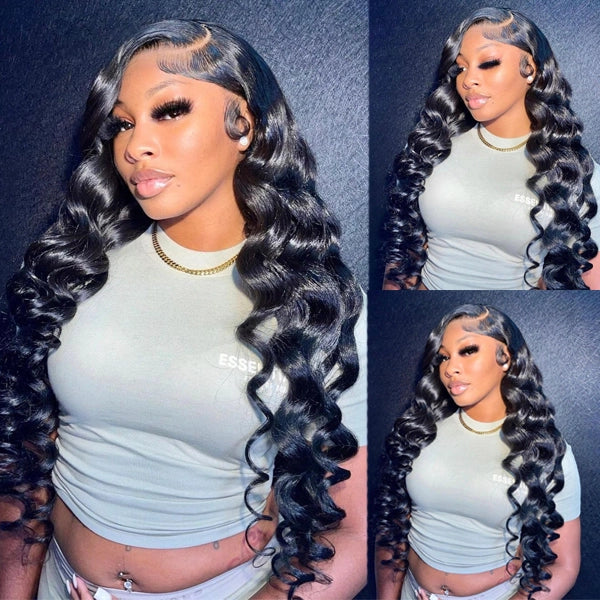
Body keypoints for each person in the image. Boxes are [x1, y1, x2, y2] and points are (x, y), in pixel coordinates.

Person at [0, 20, 367, 600]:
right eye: (123, 123)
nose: (135, 145)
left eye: (169, 110)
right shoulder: (71, 271)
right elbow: (23, 473)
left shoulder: (317, 306)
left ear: (244, 123)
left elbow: (349, 531)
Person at [383, 7, 600, 290]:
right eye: (461, 68)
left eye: (488, 63)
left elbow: (591, 278)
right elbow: (402, 254)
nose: (468, 80)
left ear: (530, 69)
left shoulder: (575, 172)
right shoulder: (431, 148)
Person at [374, 304, 580, 600]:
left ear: (505, 357)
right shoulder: (417, 433)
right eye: (443, 357)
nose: (450, 368)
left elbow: (563, 564)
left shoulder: (545, 452)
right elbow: (391, 530)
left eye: (467, 350)